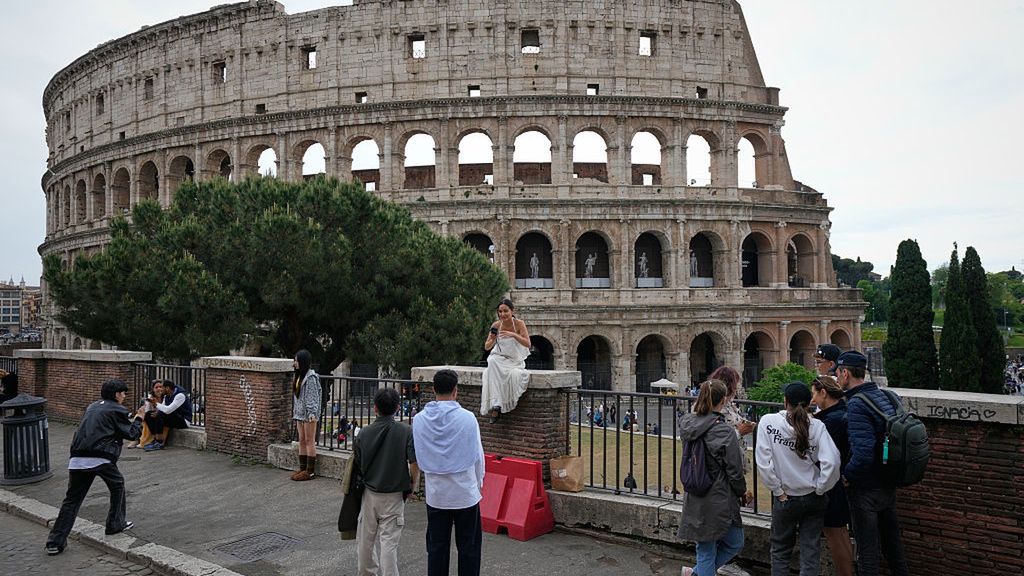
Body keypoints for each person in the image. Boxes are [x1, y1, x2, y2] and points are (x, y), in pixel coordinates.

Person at [45, 379, 145, 555]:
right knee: (118, 485)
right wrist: (138, 418)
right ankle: (115, 524)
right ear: (116, 394)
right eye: (123, 393)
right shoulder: (117, 408)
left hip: (77, 456)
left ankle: (55, 541)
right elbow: (131, 433)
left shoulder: (92, 407)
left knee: (72, 500)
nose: (124, 396)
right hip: (100, 456)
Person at [836, 351, 909, 576]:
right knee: (892, 544)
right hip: (888, 480)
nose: (837, 379)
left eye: (838, 374)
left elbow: (863, 453)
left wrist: (847, 476)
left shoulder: (857, 404)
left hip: (866, 488)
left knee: (868, 551)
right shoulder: (887, 395)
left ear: (845, 373)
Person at [756, 382, 840, 576]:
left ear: (785, 401)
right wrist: (821, 488)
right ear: (809, 403)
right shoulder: (817, 426)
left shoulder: (768, 422)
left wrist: (777, 490)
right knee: (810, 551)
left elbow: (763, 462)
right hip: (812, 495)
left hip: (786, 496)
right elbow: (833, 462)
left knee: (780, 551)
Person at [413, 369, 485, 576]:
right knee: (469, 548)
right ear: (456, 391)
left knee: (437, 547)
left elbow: (419, 453)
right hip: (464, 492)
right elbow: (477, 455)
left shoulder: (419, 420)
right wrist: (479, 482)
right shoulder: (468, 418)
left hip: (437, 493)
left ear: (434, 389)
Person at [677, 380, 751, 576]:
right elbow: (734, 470)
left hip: (694, 491)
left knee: (708, 548)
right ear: (724, 400)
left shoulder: (687, 423)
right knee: (728, 544)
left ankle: (697, 573)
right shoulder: (724, 431)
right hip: (719, 494)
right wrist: (741, 491)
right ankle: (700, 572)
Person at [355, 388, 419, 576]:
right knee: (389, 543)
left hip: (370, 493)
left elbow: (358, 463)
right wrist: (412, 486)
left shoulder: (364, 433)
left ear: (375, 408)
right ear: (398, 408)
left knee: (365, 540)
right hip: (394, 494)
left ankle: (366, 572)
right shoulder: (406, 431)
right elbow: (414, 463)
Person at [811, 375, 855, 576]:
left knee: (835, 536)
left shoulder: (829, 422)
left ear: (823, 392)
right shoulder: (843, 413)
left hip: (832, 485)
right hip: (841, 483)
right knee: (841, 534)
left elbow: (825, 458)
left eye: (814, 394)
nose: (812, 401)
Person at [481, 298, 531, 423]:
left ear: (512, 311)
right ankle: (496, 404)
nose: (502, 314)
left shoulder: (519, 323)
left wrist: (513, 335)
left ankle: (500, 404)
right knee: (492, 361)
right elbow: (487, 346)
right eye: (500, 312)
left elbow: (528, 344)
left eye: (505, 311)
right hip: (499, 358)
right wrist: (493, 339)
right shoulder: (496, 325)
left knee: (515, 375)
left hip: (514, 361)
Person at [291, 349, 322, 481]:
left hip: (309, 415)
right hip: (299, 414)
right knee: (302, 440)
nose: (294, 363)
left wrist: (312, 413)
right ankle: (302, 468)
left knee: (309, 441)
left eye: (296, 360)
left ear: (302, 362)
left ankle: (310, 471)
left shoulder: (311, 378)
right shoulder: (298, 376)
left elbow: (312, 398)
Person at [142, 379, 192, 451]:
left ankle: (159, 443)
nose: (161, 389)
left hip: (183, 420)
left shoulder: (180, 395)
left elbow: (168, 410)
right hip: (172, 417)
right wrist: (156, 412)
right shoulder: (167, 395)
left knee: (160, 414)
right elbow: (163, 407)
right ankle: (156, 438)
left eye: (162, 387)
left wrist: (156, 404)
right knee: (149, 415)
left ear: (167, 388)